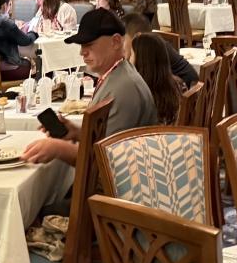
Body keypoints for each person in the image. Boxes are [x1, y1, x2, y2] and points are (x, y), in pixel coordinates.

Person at [23, 9, 156, 166]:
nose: (82, 52)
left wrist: (58, 149)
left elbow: (109, 161)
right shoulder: (118, 75)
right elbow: (106, 139)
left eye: (89, 44)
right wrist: (79, 133)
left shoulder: (125, 88)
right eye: (81, 45)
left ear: (115, 42)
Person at [122, 12, 196, 89]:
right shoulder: (146, 47)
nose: (120, 45)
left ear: (137, 37)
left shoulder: (152, 50)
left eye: (123, 39)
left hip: (185, 89)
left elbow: (137, 84)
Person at [129, 31, 182, 125]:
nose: (129, 60)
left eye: (131, 55)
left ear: (142, 61)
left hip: (151, 134)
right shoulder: (176, 85)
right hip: (173, 132)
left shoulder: (140, 95)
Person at [0, 0, 35, 82]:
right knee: (35, 65)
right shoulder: (5, 23)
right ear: (5, 6)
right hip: (6, 68)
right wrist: (34, 33)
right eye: (10, 4)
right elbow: (25, 41)